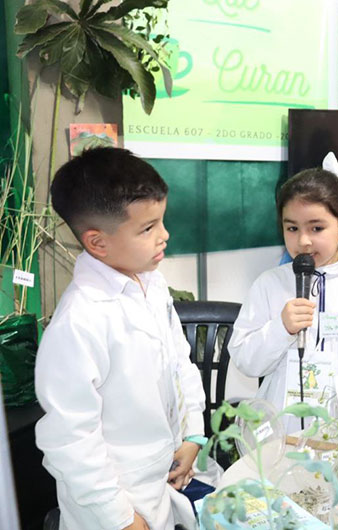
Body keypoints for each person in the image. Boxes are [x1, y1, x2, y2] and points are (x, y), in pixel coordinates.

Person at [35, 147, 207, 530]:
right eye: (148, 228)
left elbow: (180, 360)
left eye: (162, 220)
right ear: (97, 243)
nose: (165, 236)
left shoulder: (151, 281)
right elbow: (70, 440)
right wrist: (121, 519)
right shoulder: (80, 321)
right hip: (113, 508)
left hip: (158, 484)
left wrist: (193, 430)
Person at [229, 168, 338, 431]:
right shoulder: (269, 284)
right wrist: (281, 328)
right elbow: (247, 362)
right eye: (292, 228)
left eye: (316, 228)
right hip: (280, 430)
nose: (303, 241)